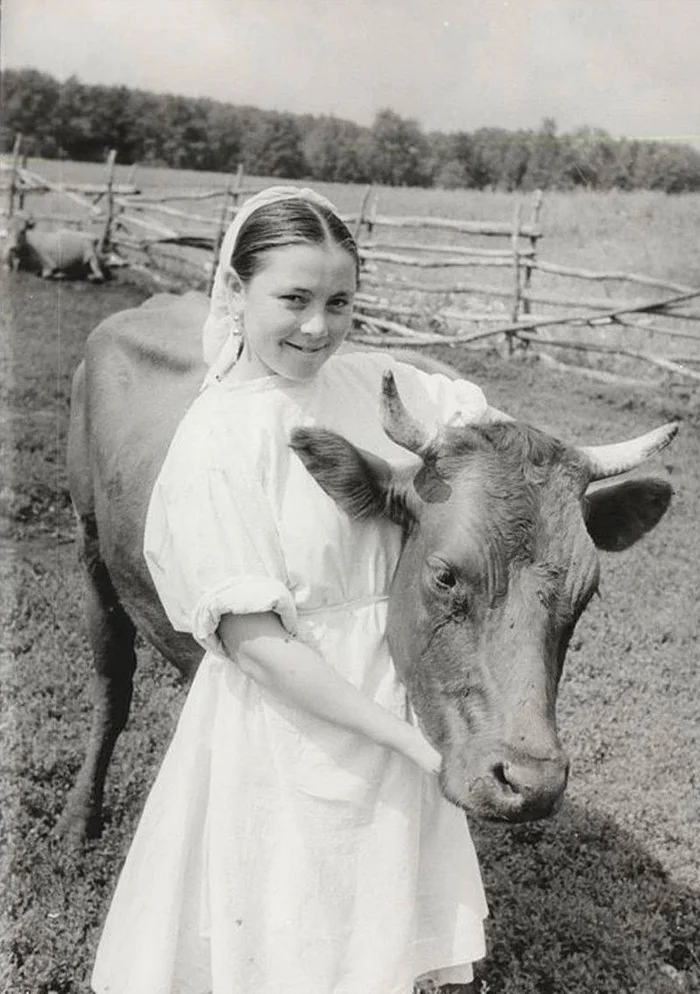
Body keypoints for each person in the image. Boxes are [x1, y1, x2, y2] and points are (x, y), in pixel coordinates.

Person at [91, 186, 492, 994]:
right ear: (236, 293)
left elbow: (487, 430)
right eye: (295, 299)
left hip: (397, 693)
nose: (319, 327)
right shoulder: (217, 441)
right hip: (297, 727)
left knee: (378, 942)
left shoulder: (371, 382)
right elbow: (260, 649)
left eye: (340, 301)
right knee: (290, 943)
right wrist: (415, 743)